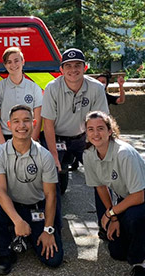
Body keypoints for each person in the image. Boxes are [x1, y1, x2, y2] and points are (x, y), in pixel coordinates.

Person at [83, 111, 145, 276]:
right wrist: (114, 218)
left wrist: (110, 213)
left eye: (100, 128)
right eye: (90, 129)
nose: (95, 134)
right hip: (129, 201)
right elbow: (101, 187)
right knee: (116, 251)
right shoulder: (89, 155)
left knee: (133, 218)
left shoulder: (124, 153)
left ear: (110, 131)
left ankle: (139, 265)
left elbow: (138, 196)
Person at [0, 105, 64, 275]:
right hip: (11, 207)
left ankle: (31, 233)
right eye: (16, 121)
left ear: (34, 123)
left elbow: (51, 196)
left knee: (54, 260)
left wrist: (48, 230)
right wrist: (17, 220)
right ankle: (6, 253)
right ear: (9, 125)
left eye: (26, 120)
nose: (22, 125)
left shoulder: (45, 155)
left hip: (37, 208)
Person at [41, 48, 109, 195]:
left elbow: (101, 121)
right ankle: (53, 218)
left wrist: (102, 152)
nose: (73, 69)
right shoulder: (52, 88)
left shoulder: (96, 88)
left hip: (83, 138)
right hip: (57, 137)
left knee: (102, 175)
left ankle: (108, 215)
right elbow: (48, 124)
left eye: (77, 65)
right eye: (68, 66)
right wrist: (53, 156)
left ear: (85, 67)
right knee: (52, 180)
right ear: (61, 69)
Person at [0, 47, 43, 146]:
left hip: (27, 137)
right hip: (6, 137)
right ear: (5, 65)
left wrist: (31, 143)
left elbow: (38, 119)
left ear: (23, 62)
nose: (13, 65)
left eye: (16, 61)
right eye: (9, 62)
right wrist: (3, 145)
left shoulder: (34, 88)